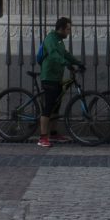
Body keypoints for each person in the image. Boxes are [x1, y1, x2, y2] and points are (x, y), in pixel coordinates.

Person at [36, 16, 79, 147]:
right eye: (68, 29)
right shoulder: (50, 39)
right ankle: (43, 137)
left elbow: (65, 54)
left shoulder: (60, 40)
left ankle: (53, 133)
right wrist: (66, 64)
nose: (69, 32)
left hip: (57, 77)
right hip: (49, 77)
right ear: (60, 29)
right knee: (48, 107)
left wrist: (78, 62)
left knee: (56, 107)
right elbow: (54, 54)